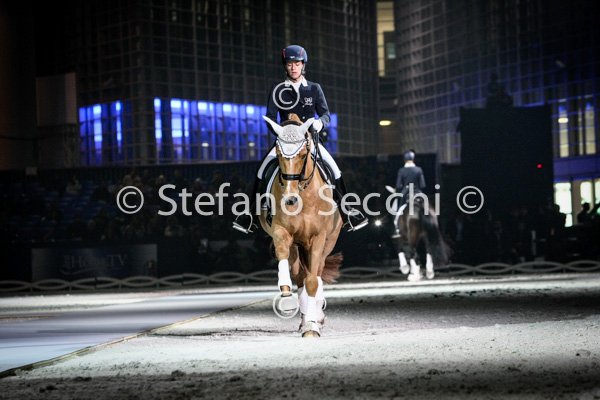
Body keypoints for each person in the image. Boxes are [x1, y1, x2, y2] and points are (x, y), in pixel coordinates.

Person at [232, 44, 368, 234]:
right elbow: (270, 117)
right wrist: (281, 133)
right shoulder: (278, 89)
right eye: (290, 64)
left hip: (309, 140)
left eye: (297, 64)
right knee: (261, 171)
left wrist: (320, 123)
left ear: (303, 65)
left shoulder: (314, 88)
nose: (293, 67)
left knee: (335, 170)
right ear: (285, 66)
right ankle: (250, 215)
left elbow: (326, 114)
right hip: (286, 142)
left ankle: (348, 212)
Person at [392, 150, 426, 237]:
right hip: (418, 193)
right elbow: (423, 185)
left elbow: (398, 185)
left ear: (404, 160)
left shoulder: (401, 170)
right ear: (413, 159)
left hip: (406, 193)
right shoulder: (419, 169)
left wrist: (397, 189)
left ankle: (397, 228)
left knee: (398, 209)